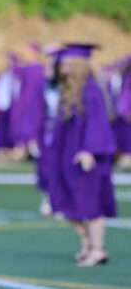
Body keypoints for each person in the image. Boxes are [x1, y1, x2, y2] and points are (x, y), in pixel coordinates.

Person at [49, 44, 117, 267]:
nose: (63, 70)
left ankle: (97, 249)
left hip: (87, 157)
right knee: (62, 202)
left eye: (67, 65)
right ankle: (87, 242)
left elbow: (98, 124)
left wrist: (90, 150)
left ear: (79, 66)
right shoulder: (69, 91)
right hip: (68, 154)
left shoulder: (91, 90)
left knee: (91, 204)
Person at [35, 46, 63, 216]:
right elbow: (36, 112)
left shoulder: (68, 87)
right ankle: (49, 198)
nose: (46, 70)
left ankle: (61, 201)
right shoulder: (43, 86)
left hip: (64, 132)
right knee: (48, 165)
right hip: (48, 131)